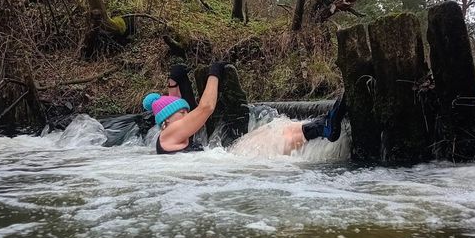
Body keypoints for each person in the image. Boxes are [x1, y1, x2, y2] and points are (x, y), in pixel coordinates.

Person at [143, 63, 347, 155]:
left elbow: (181, 104)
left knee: (274, 130)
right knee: (272, 141)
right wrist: (214, 73)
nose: (188, 116)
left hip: (223, 160)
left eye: (187, 113)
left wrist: (176, 80)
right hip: (222, 166)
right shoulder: (168, 134)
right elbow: (205, 108)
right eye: (182, 113)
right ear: (166, 120)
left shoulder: (173, 131)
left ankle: (322, 126)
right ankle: (322, 127)